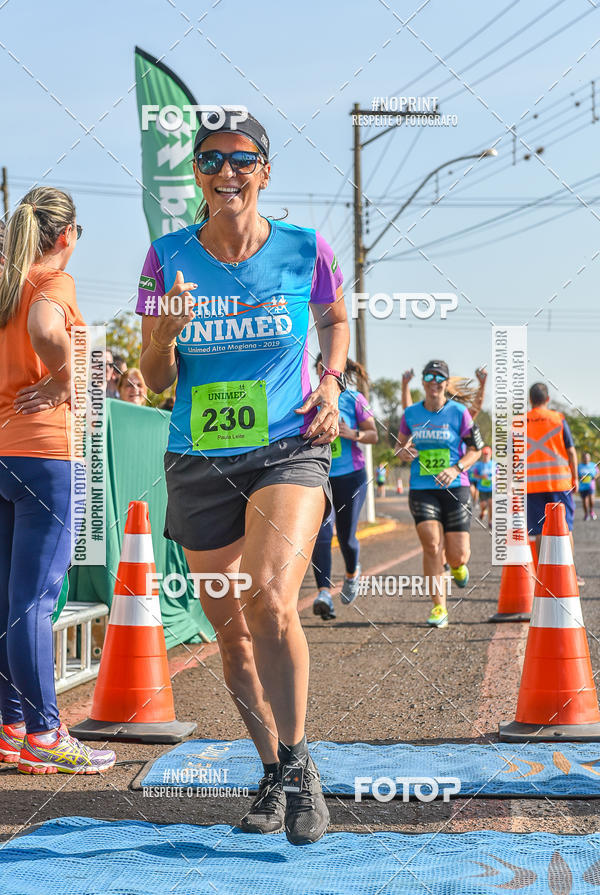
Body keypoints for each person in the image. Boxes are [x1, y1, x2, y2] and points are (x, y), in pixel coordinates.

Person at [137, 110, 349, 845]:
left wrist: (330, 383)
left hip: (287, 444)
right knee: (229, 635)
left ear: (265, 170)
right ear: (197, 173)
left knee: (268, 596)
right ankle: (272, 771)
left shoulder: (305, 247)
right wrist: (163, 334)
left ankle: (299, 763)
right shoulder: (165, 257)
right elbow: (154, 375)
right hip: (198, 455)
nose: (226, 171)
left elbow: (335, 319)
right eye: (211, 160)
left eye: (242, 158)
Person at [0, 187, 116, 774]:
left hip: (2, 452)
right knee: (34, 603)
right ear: (66, 235)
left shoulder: (3, 282)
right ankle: (46, 734)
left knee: (7, 600)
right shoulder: (53, 282)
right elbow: (48, 327)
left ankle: (11, 725)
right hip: (44, 454)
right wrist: (72, 374)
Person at [396, 360, 483, 628]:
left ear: (446, 383)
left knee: (458, 554)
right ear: (423, 382)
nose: (434, 381)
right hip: (422, 488)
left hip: (456, 487)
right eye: (429, 376)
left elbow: (476, 450)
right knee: (432, 545)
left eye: (439, 377)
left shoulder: (459, 413)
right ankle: (438, 608)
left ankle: (457, 567)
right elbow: (399, 448)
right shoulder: (410, 414)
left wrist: (456, 468)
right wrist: (404, 452)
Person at [311, 356, 378, 620]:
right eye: (320, 370)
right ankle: (324, 593)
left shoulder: (355, 399)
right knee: (321, 534)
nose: (324, 374)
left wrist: (351, 433)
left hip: (351, 476)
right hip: (318, 476)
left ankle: (352, 573)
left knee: (346, 537)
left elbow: (373, 434)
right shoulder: (308, 396)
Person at [526, 383, 579, 570]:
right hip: (559, 484)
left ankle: (543, 573)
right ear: (547, 399)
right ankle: (568, 572)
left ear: (530, 400)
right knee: (565, 528)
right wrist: (575, 477)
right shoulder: (558, 419)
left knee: (540, 531)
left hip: (532, 486)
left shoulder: (521, 422)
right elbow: (571, 452)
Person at [471, 445, 494, 528]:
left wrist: (495, 478)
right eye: (484, 454)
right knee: (484, 505)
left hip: (492, 488)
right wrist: (481, 477)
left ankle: (490, 521)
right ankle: (483, 512)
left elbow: (499, 474)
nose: (486, 456)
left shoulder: (494, 464)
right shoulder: (478, 465)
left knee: (491, 504)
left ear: (490, 454)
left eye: (487, 454)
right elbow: (474, 475)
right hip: (482, 488)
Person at [578, 451, 598, 520]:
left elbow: (598, 473)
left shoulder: (593, 465)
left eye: (587, 457)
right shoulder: (579, 466)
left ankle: (591, 511)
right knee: (585, 501)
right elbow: (576, 475)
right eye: (585, 458)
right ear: (582, 458)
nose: (586, 459)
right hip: (582, 487)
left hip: (591, 486)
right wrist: (580, 477)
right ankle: (586, 514)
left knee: (591, 500)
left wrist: (595, 476)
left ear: (589, 458)